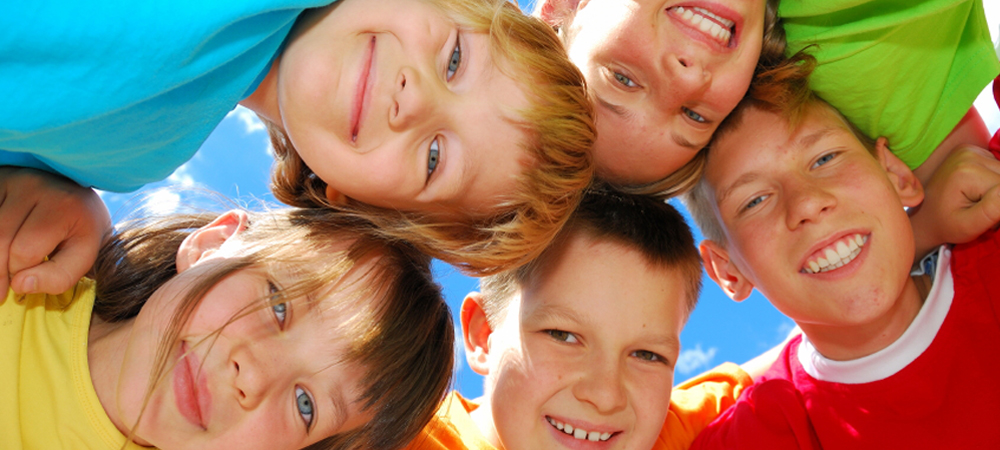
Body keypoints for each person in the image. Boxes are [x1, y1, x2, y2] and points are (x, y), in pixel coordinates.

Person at [0, 0, 596, 294]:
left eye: (434, 158)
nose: (414, 100)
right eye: (455, 59)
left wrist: (51, 184)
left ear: (353, 202)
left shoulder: (135, 157)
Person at [681, 65, 1000, 448]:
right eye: (755, 201)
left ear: (895, 175)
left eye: (825, 159)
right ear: (727, 270)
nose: (807, 203)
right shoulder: (758, 436)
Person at [0, 186, 454, 450]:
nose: (254, 378)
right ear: (212, 244)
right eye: (278, 305)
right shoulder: (20, 263)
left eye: (305, 405)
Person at [403, 188, 757, 450]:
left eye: (647, 355)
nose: (605, 396)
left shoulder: (667, 432)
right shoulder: (396, 438)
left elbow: (783, 370)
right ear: (484, 335)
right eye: (563, 335)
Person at [532, 0, 998, 196]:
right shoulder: (835, 52)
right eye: (694, 115)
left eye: (622, 79)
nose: (688, 78)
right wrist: (929, 228)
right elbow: (965, 181)